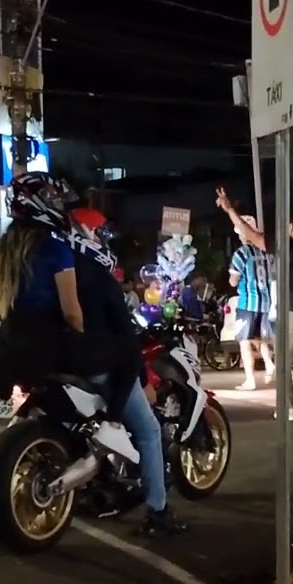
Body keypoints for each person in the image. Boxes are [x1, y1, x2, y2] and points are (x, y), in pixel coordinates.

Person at [65, 206, 186, 535]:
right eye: (101, 235)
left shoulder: (55, 270)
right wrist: (143, 378)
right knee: (148, 431)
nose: (106, 243)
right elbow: (123, 335)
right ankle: (158, 514)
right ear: (87, 235)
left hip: (58, 363)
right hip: (98, 367)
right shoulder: (98, 278)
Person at [218, 201, 293, 428]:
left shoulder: (285, 247)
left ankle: (289, 408)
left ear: (291, 226)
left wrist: (229, 209)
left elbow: (248, 233)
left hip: (292, 311)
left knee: (283, 364)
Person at [216, 187, 275, 390]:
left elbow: (233, 281)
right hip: (267, 302)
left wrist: (234, 280)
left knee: (244, 340)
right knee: (261, 338)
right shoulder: (269, 251)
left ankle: (250, 379)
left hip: (247, 302)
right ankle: (269, 364)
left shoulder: (241, 254)